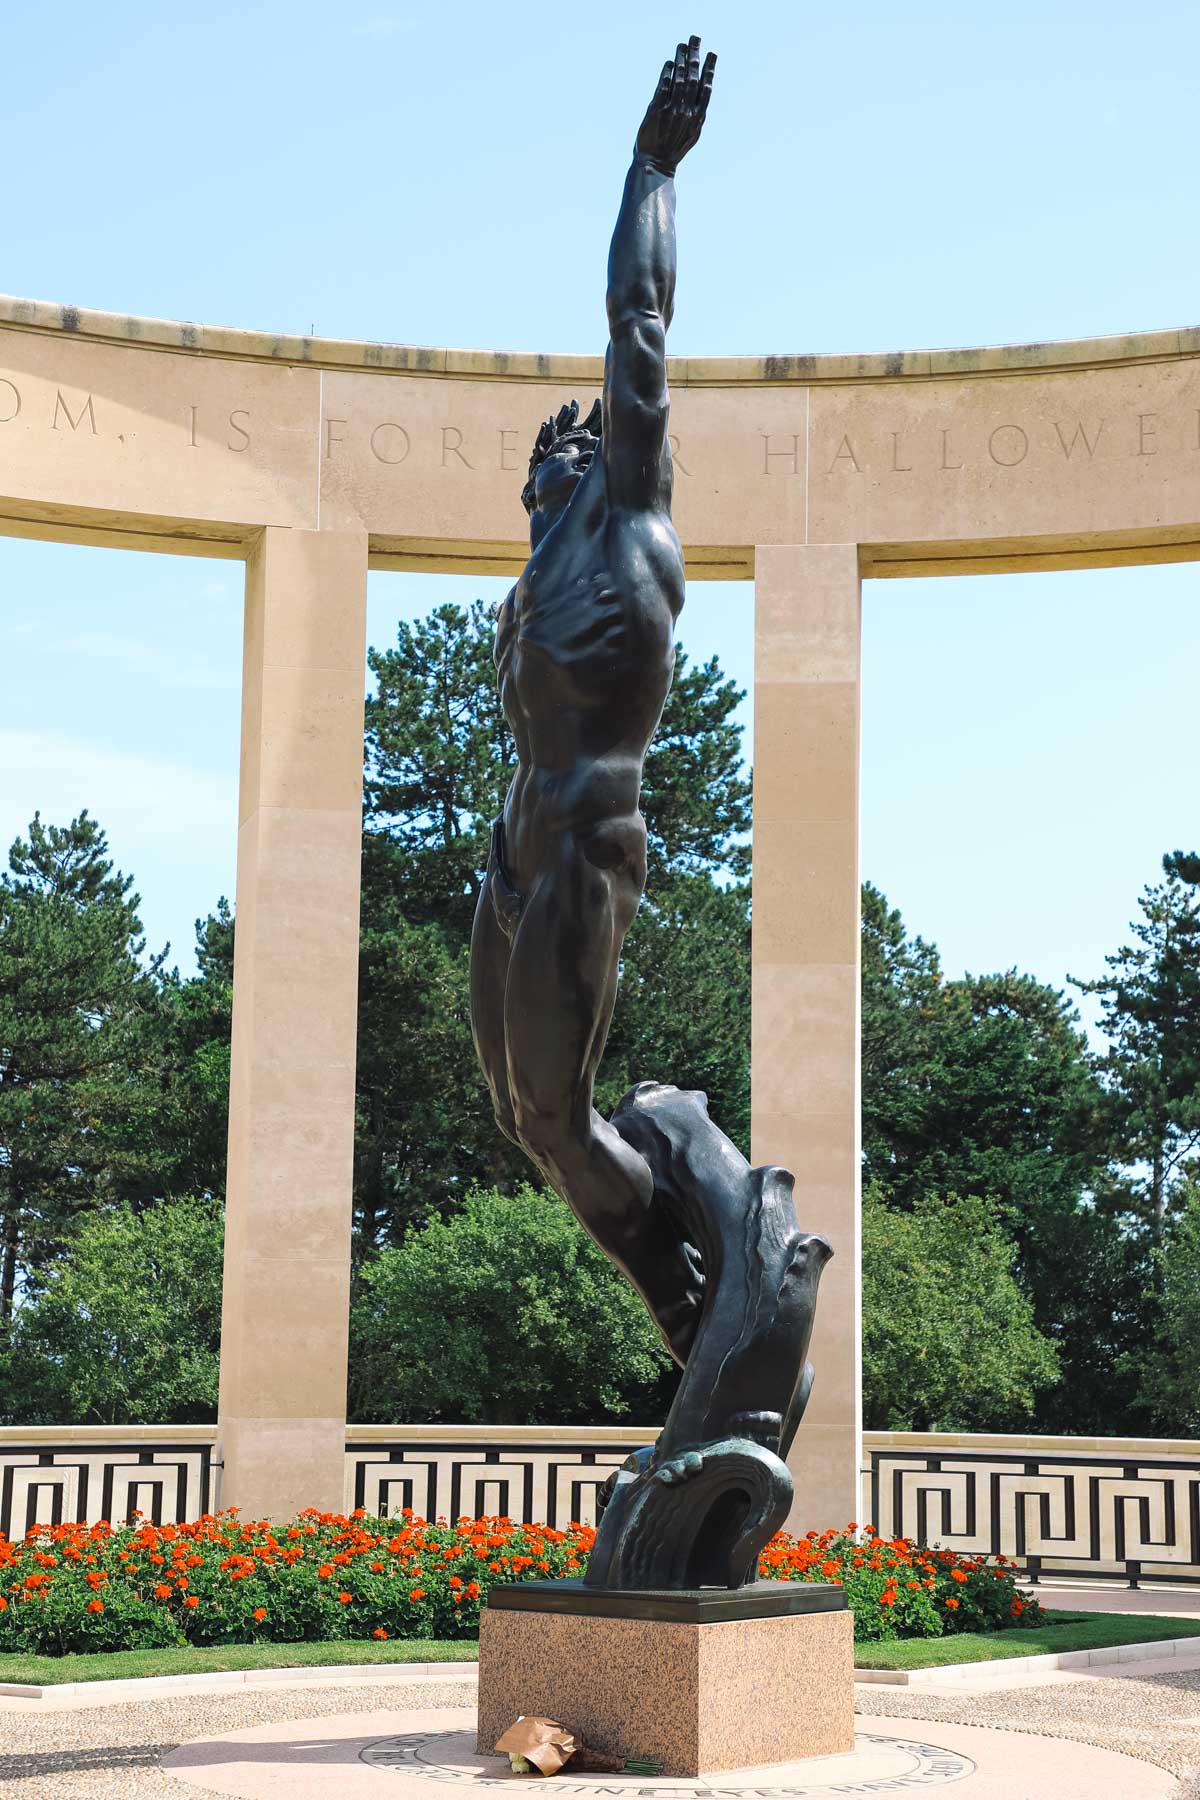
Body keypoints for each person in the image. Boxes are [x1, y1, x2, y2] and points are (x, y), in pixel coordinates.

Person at [469, 37, 717, 1366]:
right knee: (523, 1118)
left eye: (555, 463)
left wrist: (650, 168)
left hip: (586, 837)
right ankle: (676, 1241)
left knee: (561, 1120)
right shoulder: (540, 567)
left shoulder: (632, 521)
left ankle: (686, 1281)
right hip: (515, 845)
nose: (536, 482)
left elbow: (640, 324)